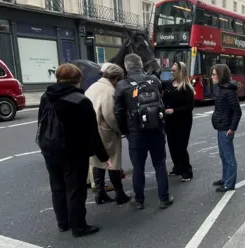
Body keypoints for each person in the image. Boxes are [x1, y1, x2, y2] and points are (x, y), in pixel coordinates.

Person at [38, 63, 110, 237]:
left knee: (57, 186)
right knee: (76, 189)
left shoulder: (46, 97)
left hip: (50, 148)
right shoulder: (81, 101)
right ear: (78, 80)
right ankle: (79, 226)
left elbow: (41, 122)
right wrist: (103, 156)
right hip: (74, 151)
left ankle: (63, 222)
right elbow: (92, 132)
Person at [114, 53, 173, 210]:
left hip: (136, 133)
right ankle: (164, 198)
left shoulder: (122, 85)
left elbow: (118, 112)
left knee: (138, 167)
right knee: (160, 164)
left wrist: (125, 131)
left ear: (126, 67)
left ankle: (139, 200)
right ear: (141, 65)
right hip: (156, 130)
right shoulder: (155, 80)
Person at [85, 63, 130, 206]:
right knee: (112, 163)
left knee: (98, 162)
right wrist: (120, 129)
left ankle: (100, 192)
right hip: (105, 132)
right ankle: (119, 193)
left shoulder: (92, 87)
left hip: (91, 131)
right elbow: (111, 116)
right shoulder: (109, 91)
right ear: (115, 78)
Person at [211, 64, 242, 192]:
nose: (211, 76)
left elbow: (237, 111)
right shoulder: (221, 89)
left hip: (226, 129)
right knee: (223, 156)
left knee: (229, 158)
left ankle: (229, 184)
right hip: (220, 127)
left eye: (214, 74)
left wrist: (232, 128)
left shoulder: (228, 92)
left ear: (221, 75)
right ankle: (225, 179)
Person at [163, 62, 195, 182]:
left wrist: (174, 110)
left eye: (174, 71)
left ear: (181, 72)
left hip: (183, 122)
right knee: (172, 145)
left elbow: (189, 107)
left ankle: (187, 171)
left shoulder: (186, 88)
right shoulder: (169, 85)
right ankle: (177, 167)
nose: (171, 72)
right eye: (171, 70)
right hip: (169, 121)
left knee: (181, 147)